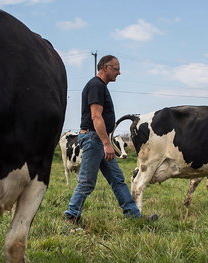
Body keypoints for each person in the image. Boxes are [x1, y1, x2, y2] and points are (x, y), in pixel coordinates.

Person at [65, 55, 157, 224]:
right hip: (94, 139)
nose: (119, 72)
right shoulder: (96, 86)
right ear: (105, 67)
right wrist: (107, 144)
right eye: (116, 68)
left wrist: (106, 142)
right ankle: (71, 215)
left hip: (99, 139)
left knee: (117, 179)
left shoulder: (100, 86)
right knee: (87, 182)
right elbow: (96, 116)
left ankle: (133, 215)